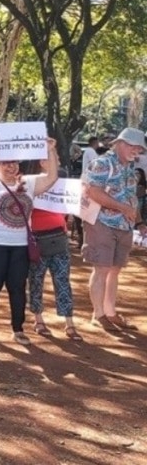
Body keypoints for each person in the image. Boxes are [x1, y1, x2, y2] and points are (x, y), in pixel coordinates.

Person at [0, 133, 58, 344]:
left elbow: (52, 177)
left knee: (17, 286)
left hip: (20, 244)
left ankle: (18, 328)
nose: (10, 166)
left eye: (13, 162)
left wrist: (50, 150)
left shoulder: (28, 183)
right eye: (4, 163)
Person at [82, 127, 146, 332]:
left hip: (125, 225)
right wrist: (122, 208)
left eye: (139, 149)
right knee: (101, 268)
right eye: (132, 146)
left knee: (115, 270)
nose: (136, 151)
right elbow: (93, 192)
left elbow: (131, 198)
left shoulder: (129, 168)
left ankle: (110, 312)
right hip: (102, 223)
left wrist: (138, 222)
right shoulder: (102, 163)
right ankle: (98, 314)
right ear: (119, 143)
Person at [26, 158, 82, 341]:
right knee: (36, 280)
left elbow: (69, 206)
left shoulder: (64, 182)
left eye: (57, 158)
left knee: (63, 281)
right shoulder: (30, 182)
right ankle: (38, 319)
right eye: (52, 158)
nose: (57, 161)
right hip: (37, 238)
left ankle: (70, 323)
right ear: (42, 162)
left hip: (59, 238)